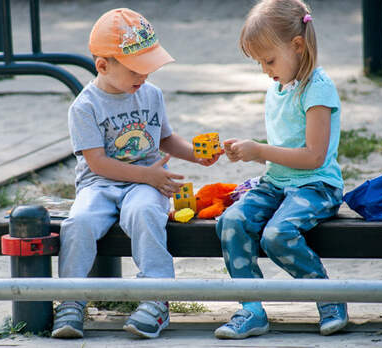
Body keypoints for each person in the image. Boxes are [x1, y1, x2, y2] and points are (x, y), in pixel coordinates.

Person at [51, 8, 222, 339]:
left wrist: (197, 157)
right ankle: (71, 300)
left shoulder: (151, 94)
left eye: (149, 67)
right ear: (103, 66)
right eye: (136, 69)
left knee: (144, 212)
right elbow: (98, 163)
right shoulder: (85, 107)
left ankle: (157, 298)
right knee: (79, 223)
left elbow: (166, 139)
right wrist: (148, 177)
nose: (144, 76)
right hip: (100, 184)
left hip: (145, 183)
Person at [215, 0, 347, 340]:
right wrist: (251, 153)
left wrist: (260, 150)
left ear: (298, 46)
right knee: (231, 221)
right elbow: (283, 151)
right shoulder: (277, 86)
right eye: (259, 62)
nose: (264, 69)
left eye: (268, 60)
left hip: (316, 186)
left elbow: (314, 156)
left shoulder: (318, 87)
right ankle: (251, 309)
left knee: (277, 235)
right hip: (277, 183)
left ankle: (328, 297)